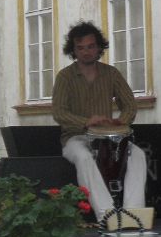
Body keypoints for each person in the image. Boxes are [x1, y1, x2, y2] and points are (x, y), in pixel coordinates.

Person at [52, 20, 147, 220]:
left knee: (137, 155)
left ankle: (133, 214)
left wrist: (121, 122)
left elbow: (130, 105)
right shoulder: (65, 77)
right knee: (84, 157)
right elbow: (59, 112)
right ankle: (107, 215)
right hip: (75, 138)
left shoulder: (111, 74)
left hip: (110, 139)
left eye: (91, 46)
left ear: (98, 48)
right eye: (80, 48)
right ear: (73, 50)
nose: (86, 52)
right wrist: (86, 122)